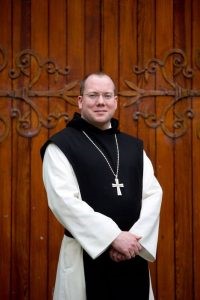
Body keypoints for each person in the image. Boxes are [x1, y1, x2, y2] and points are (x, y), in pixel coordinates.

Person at [40, 72, 162, 300]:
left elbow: (153, 194)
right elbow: (64, 201)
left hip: (131, 255)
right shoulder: (60, 146)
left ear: (116, 101)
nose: (100, 101)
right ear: (80, 101)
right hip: (85, 257)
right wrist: (112, 237)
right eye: (93, 95)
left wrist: (132, 239)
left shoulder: (133, 147)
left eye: (107, 95)